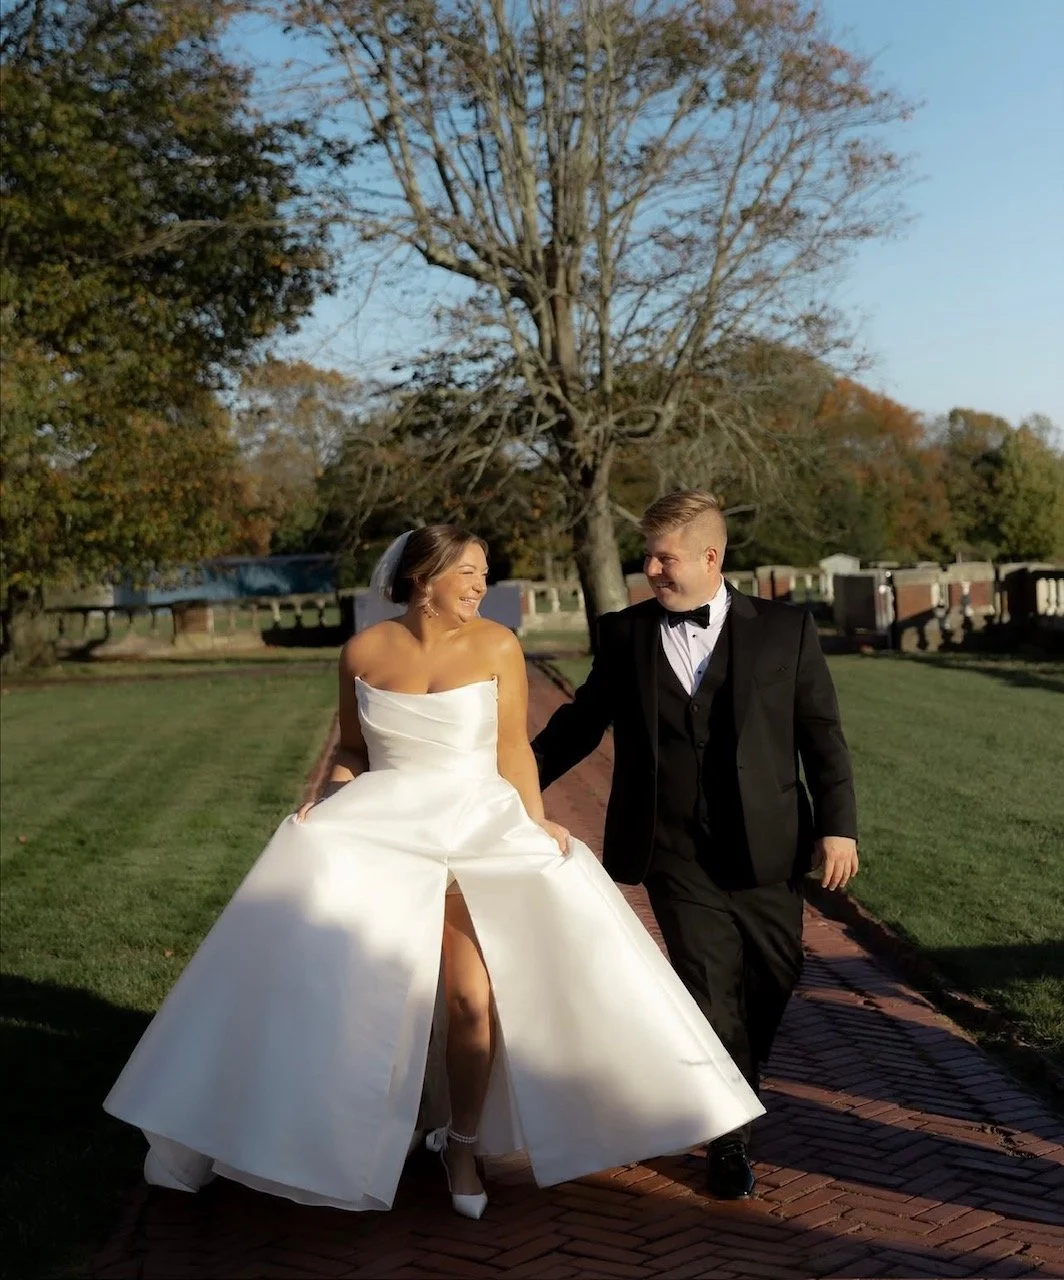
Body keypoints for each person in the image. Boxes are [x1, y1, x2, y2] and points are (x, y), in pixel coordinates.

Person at [104, 523, 763, 1220]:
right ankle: (351, 1134)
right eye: (470, 573)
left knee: (470, 999)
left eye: (484, 572)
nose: (482, 585)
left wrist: (535, 820)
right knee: (365, 991)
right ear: (424, 578)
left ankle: (464, 1143)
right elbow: (354, 751)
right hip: (385, 833)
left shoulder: (498, 646)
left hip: (479, 830)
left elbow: (512, 750)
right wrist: (323, 805)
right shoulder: (361, 651)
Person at [532, 491, 859, 1200]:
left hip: (770, 843)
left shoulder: (785, 630)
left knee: (773, 976)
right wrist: (509, 786)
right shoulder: (624, 636)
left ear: (711, 557)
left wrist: (839, 824)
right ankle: (730, 1135)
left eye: (663, 556)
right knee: (709, 989)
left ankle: (736, 1083)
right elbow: (579, 726)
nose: (650, 567)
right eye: (647, 555)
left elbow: (821, 735)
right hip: (672, 847)